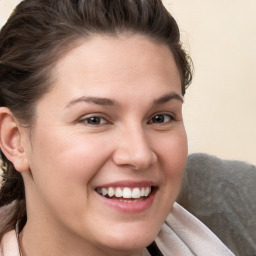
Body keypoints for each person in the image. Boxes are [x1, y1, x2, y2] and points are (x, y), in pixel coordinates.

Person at [0, 0, 234, 255]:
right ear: (15, 141)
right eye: (94, 120)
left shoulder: (235, 213)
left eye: (160, 118)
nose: (139, 155)